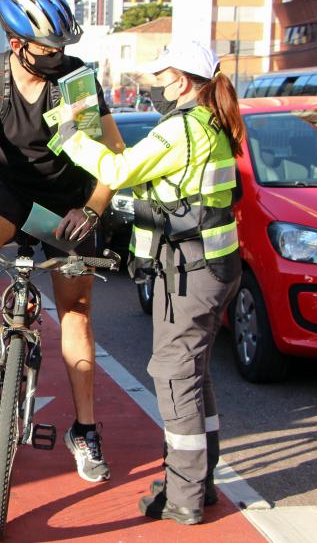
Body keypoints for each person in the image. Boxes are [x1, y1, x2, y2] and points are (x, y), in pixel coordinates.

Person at [0, 0, 125, 483]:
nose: (58, 56)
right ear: (18, 44)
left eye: (62, 47)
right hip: (8, 191)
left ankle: (83, 430)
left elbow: (114, 155)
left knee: (76, 313)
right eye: (47, 49)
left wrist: (93, 210)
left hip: (70, 201)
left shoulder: (76, 79)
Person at [53, 40, 244, 524]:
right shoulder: (208, 122)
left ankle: (185, 497)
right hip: (204, 265)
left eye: (160, 80)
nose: (154, 89)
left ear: (180, 80)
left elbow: (117, 170)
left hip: (191, 270)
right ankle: (199, 480)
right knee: (193, 373)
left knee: (175, 376)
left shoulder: (182, 129)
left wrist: (72, 132)